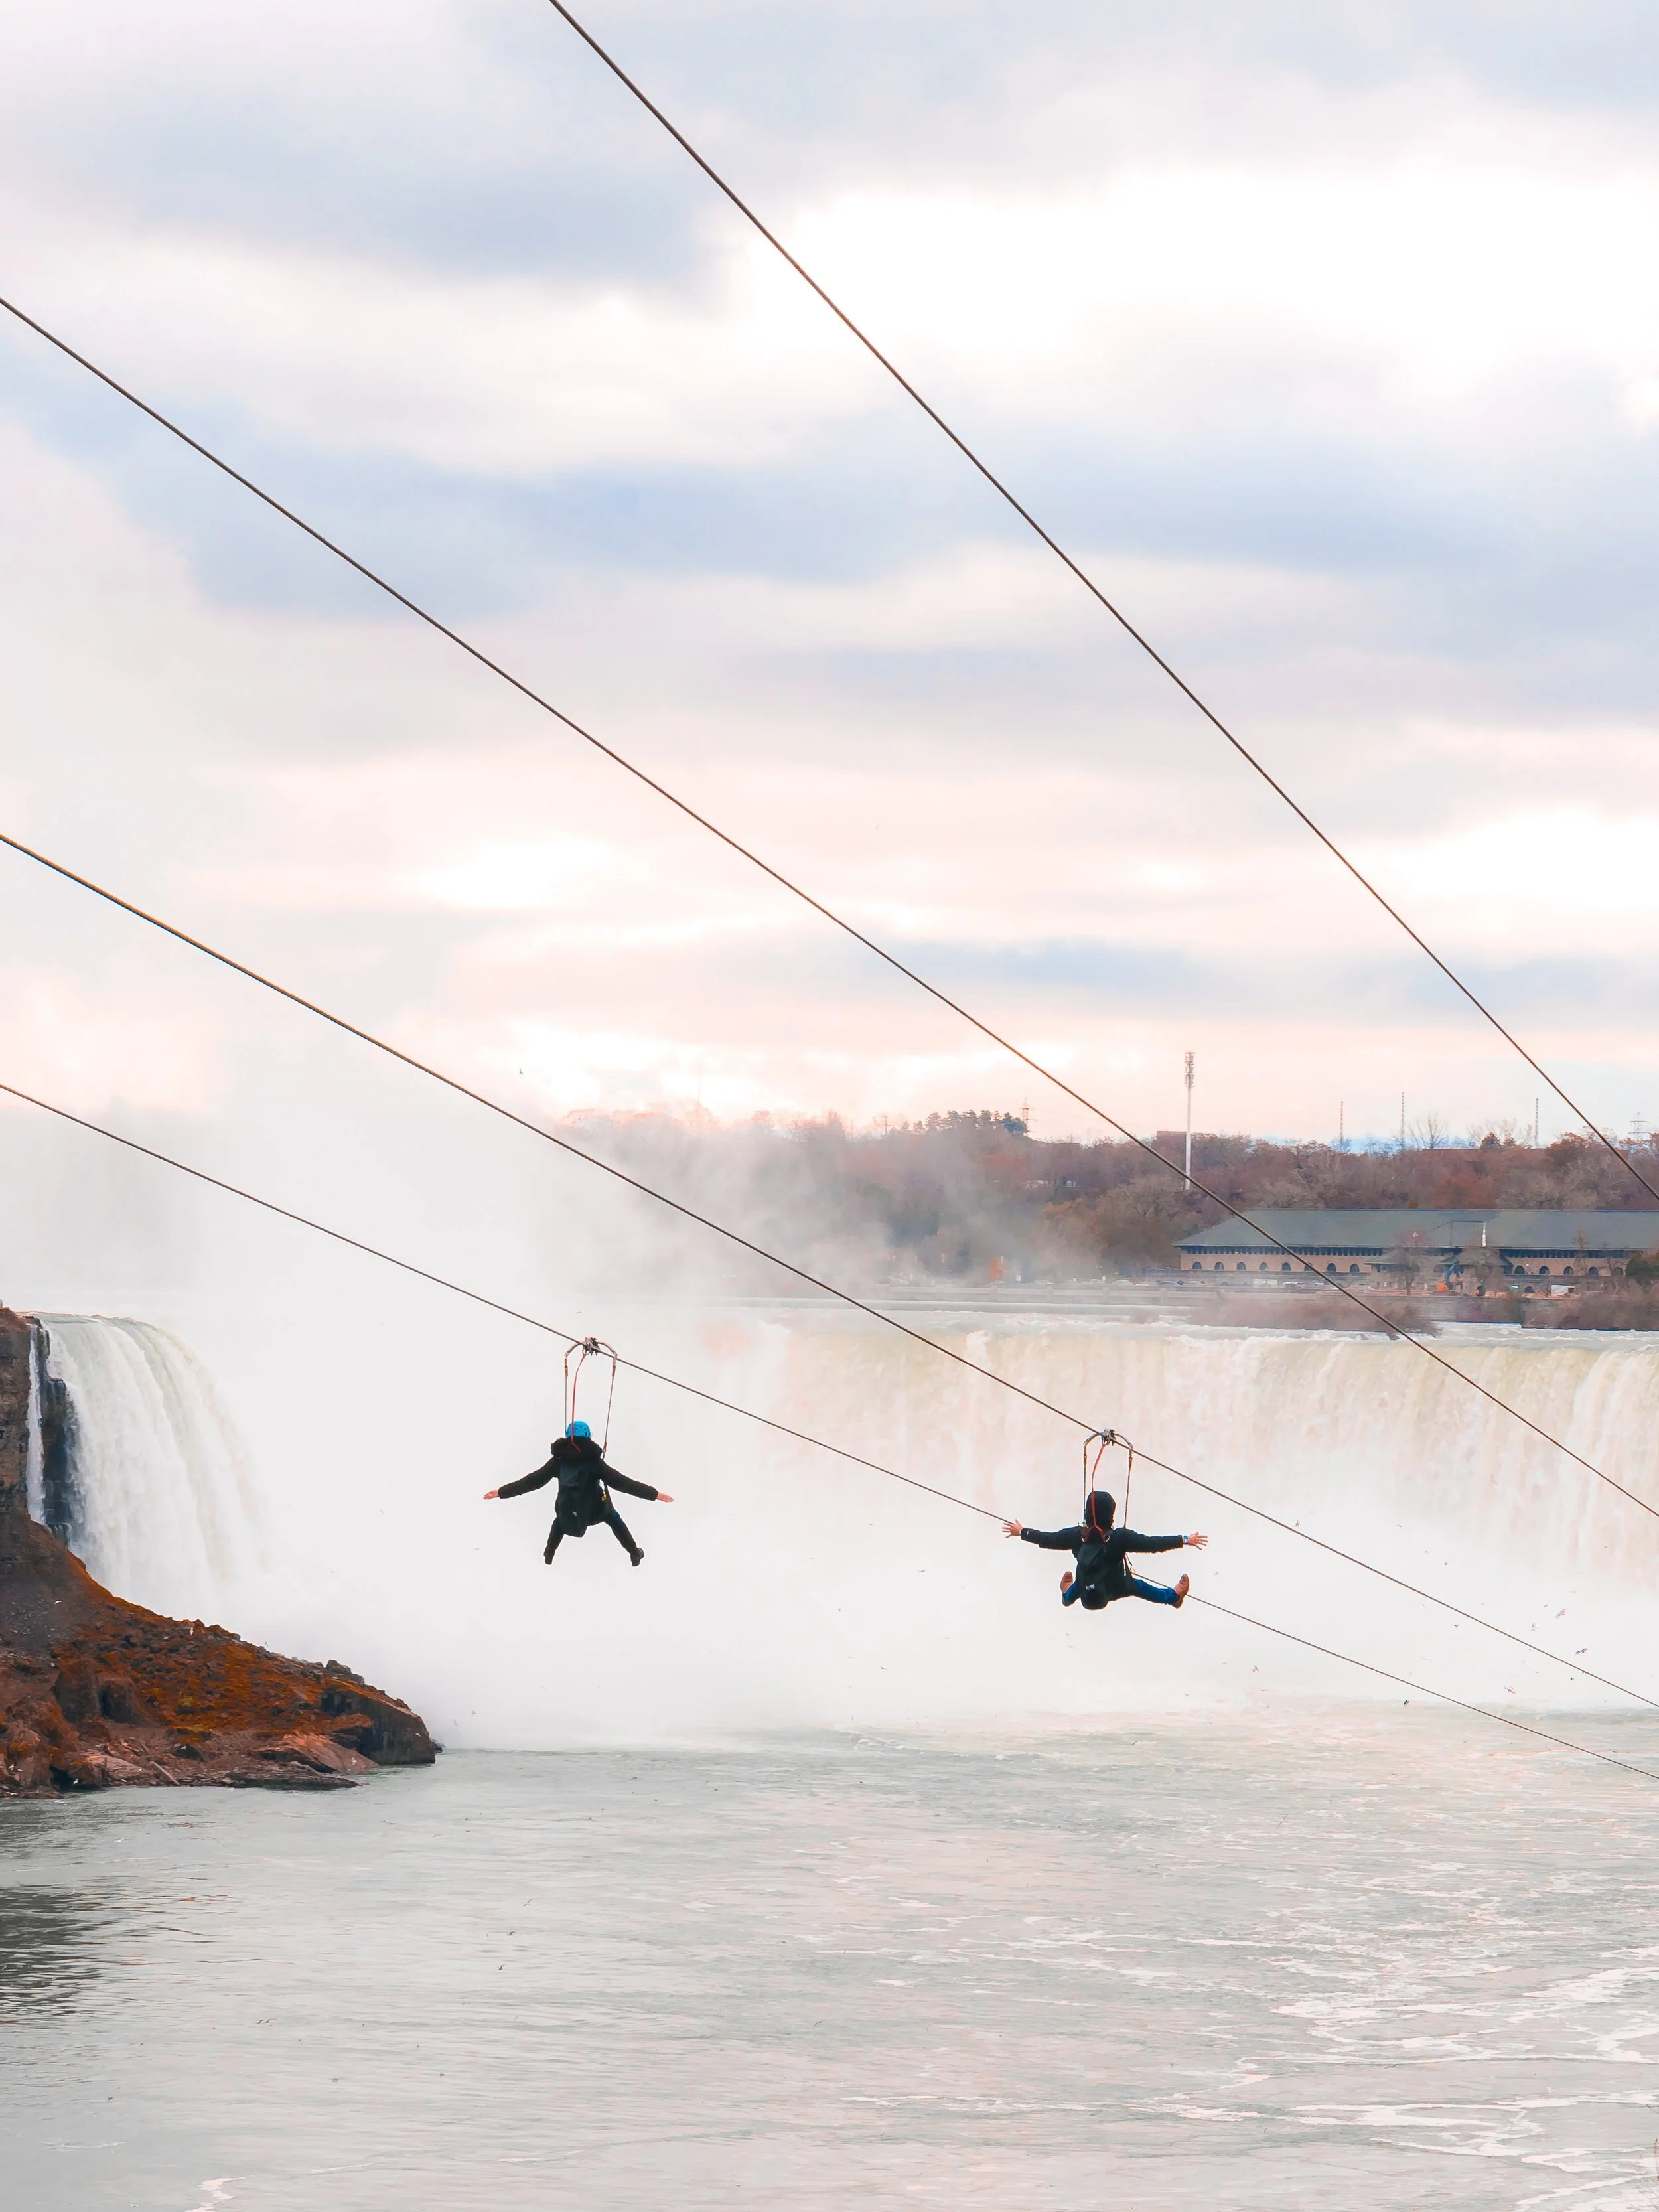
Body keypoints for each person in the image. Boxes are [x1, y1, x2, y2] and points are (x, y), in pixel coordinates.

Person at [484, 1421, 674, 1568]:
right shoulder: (594, 1463)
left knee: (559, 1519)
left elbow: (532, 1481)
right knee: (613, 1517)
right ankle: (634, 1553)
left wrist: (501, 1492)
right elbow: (623, 1483)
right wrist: (654, 1494)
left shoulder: (558, 1461)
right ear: (589, 1438)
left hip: (568, 1512)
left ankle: (549, 1553)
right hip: (595, 1511)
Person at [1003, 1488, 1207, 1610]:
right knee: (1141, 1587)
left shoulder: (1077, 1535)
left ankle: (1067, 1597)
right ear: (1110, 1516)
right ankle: (1174, 1598)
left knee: (1081, 1583)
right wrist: (1184, 1540)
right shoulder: (1119, 1538)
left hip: (1086, 1592)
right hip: (1116, 1587)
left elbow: (1046, 1539)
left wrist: (1021, 1531)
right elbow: (1153, 1545)